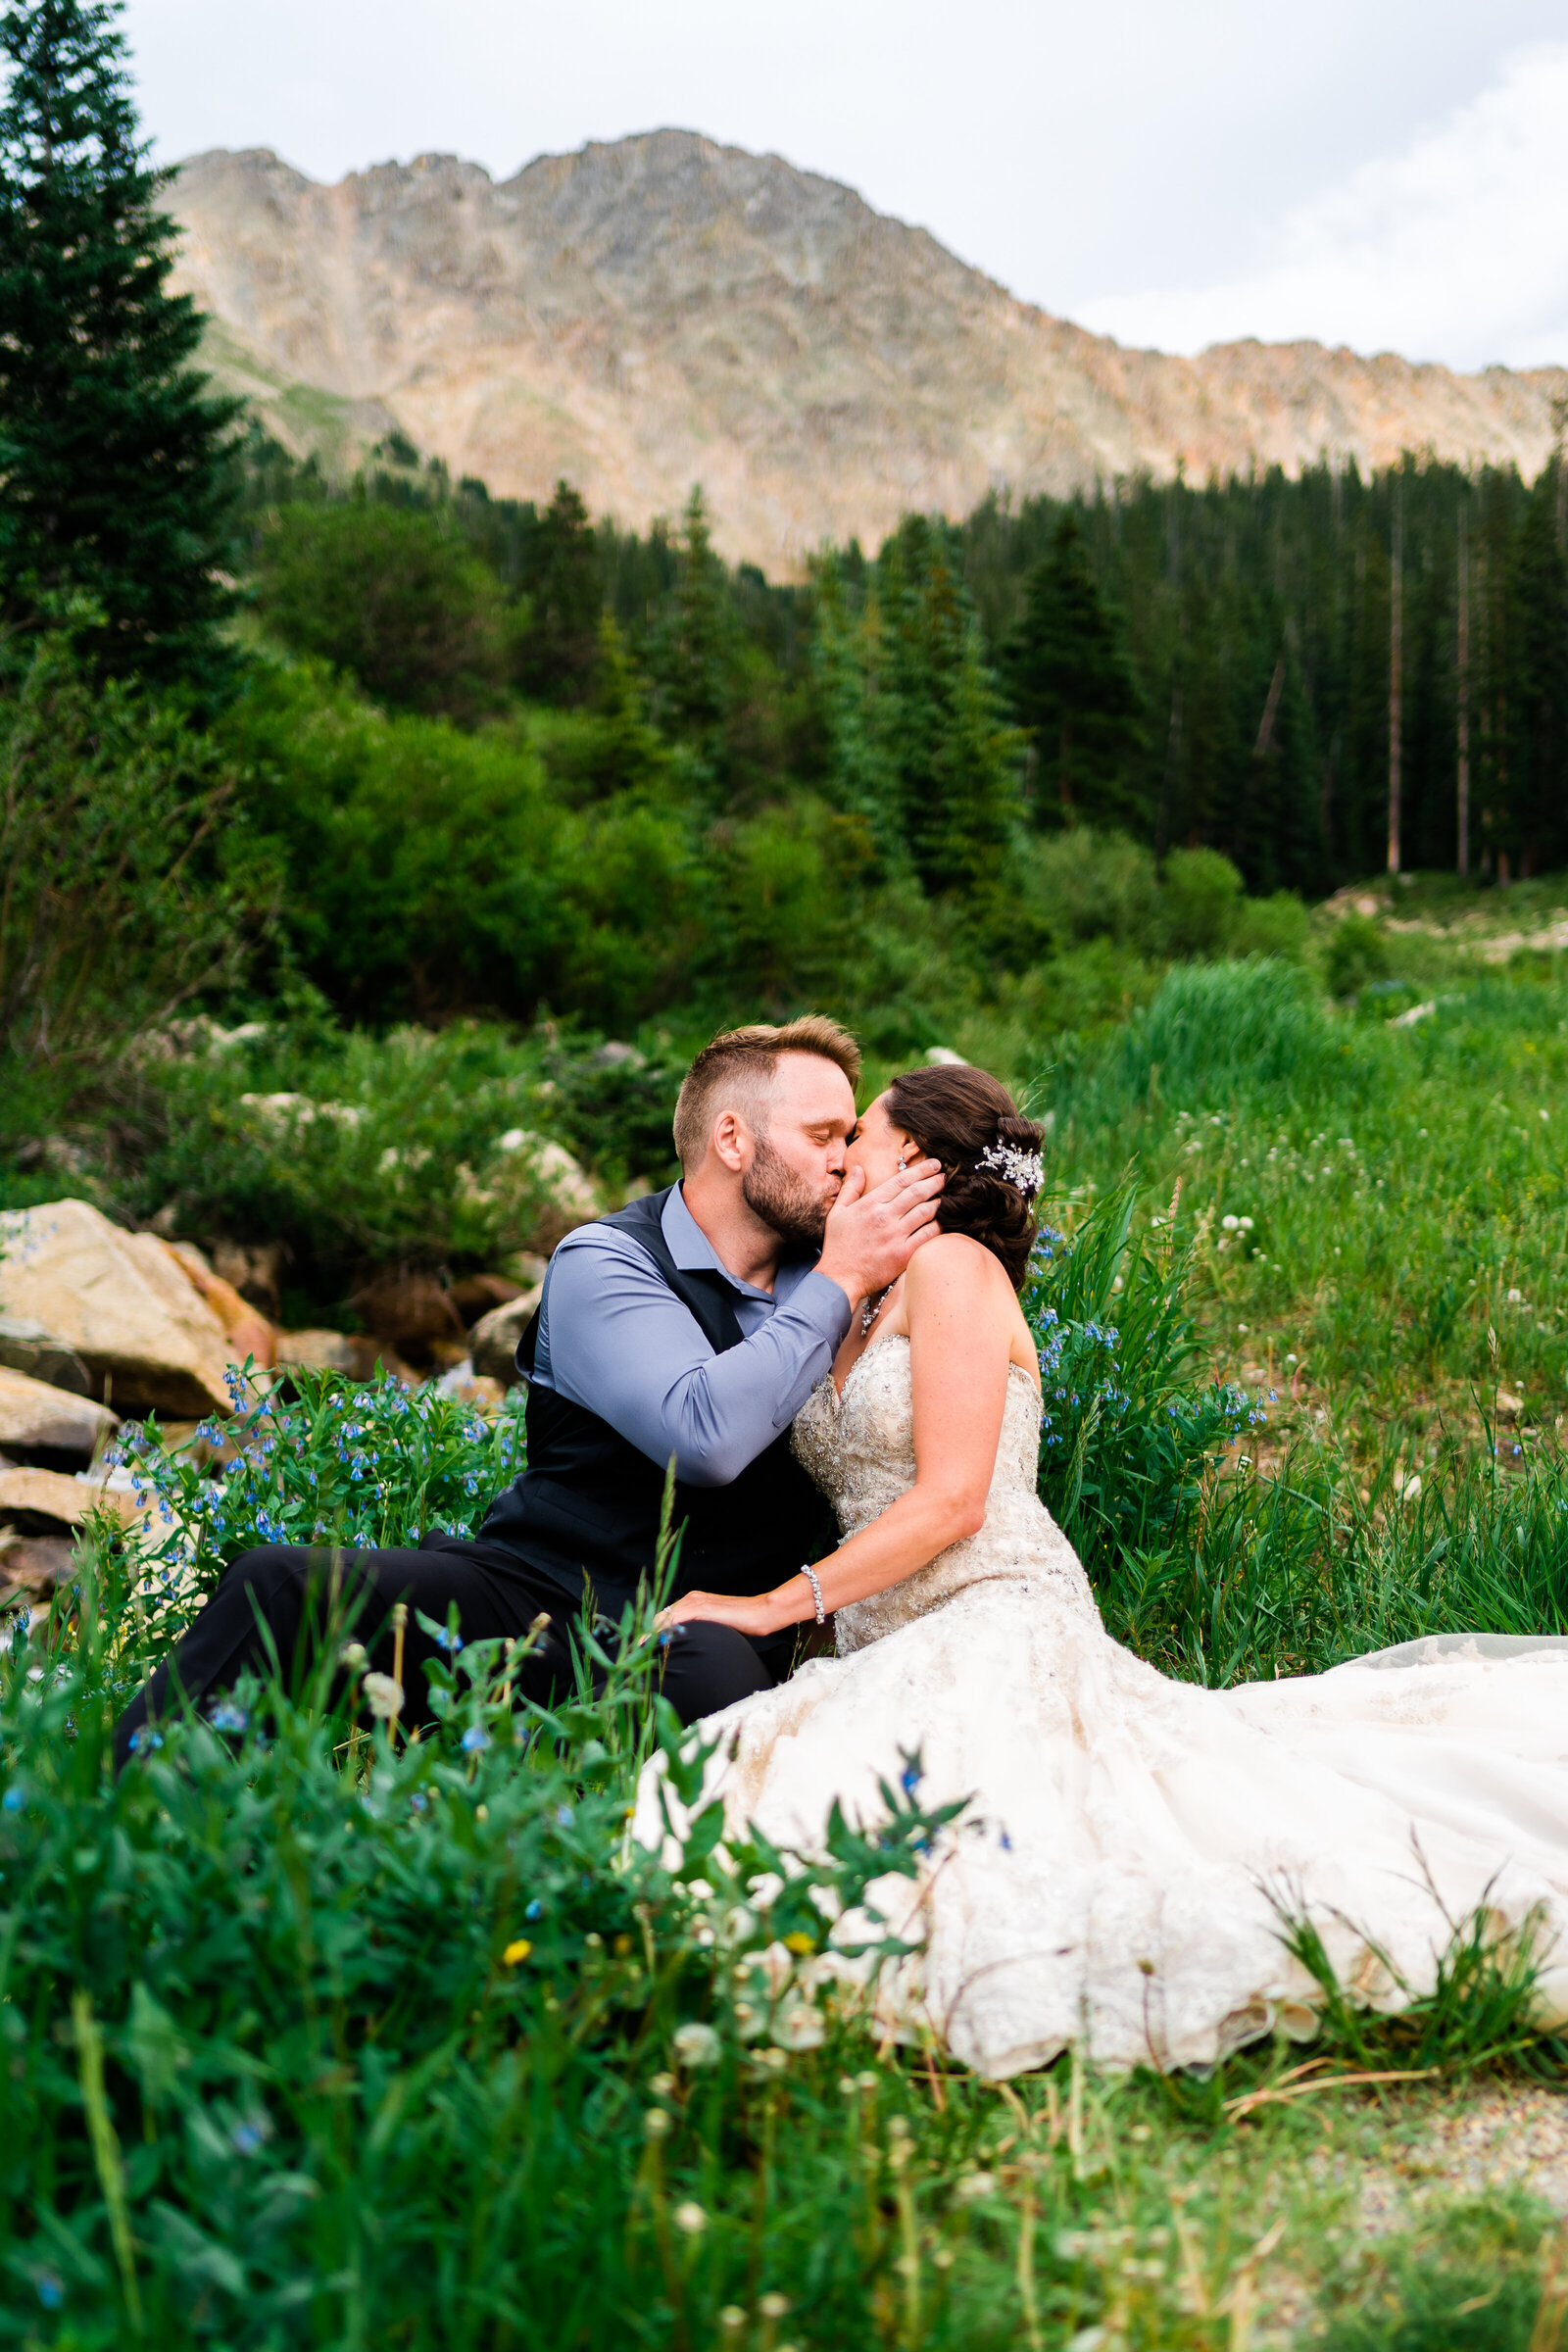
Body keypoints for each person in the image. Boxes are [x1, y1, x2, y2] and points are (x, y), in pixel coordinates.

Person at [636, 1061, 1568, 2078]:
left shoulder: (953, 1271)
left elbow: (951, 1503)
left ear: (909, 1158)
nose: (839, 1151)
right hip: (885, 1632)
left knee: (1001, 1833)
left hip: (991, 1605)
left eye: (856, 1132)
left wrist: (771, 1609)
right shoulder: (854, 1294)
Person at [113, 1016, 944, 1771]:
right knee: (279, 1582)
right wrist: (839, 1279)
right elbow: (706, 1439)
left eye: (850, 1136)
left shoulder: (843, 1265)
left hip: (715, 1623)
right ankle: (125, 1815)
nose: (844, 1160)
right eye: (822, 1135)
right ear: (733, 1138)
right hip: (541, 1596)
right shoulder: (606, 1262)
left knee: (713, 1676)